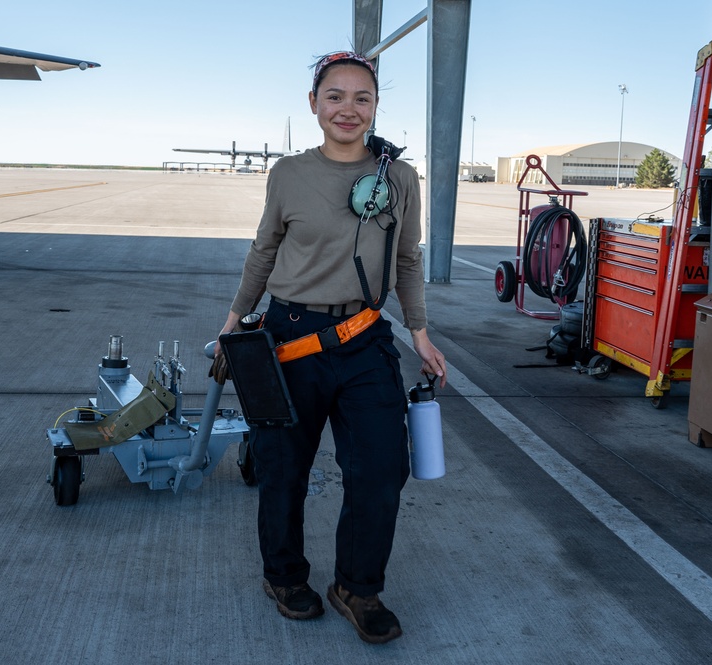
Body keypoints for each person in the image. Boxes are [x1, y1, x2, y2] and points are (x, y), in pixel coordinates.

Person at [216, 51, 446, 645]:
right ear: (314, 105)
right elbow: (263, 251)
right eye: (335, 96)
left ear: (375, 108)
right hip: (290, 337)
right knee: (282, 470)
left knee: (381, 469)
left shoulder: (400, 178)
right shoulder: (288, 173)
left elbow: (407, 260)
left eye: (362, 97)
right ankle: (284, 575)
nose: (348, 108)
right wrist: (233, 321)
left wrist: (418, 332)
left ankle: (357, 588)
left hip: (365, 338)